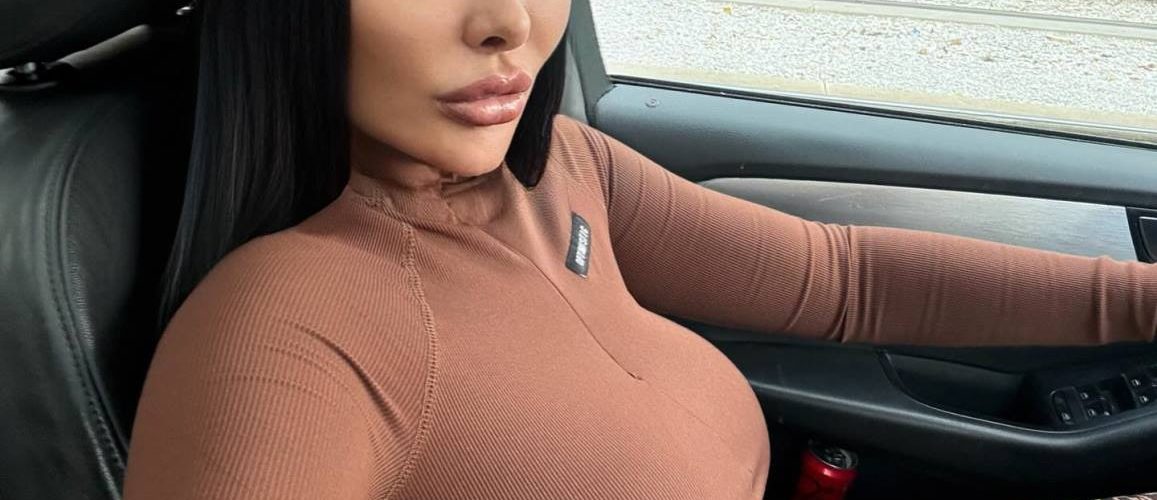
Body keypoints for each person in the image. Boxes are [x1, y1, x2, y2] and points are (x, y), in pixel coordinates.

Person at [122, 0, 1157, 498]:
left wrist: (1138, 298)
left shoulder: (557, 172)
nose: (509, 22)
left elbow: (842, 278)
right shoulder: (287, 333)